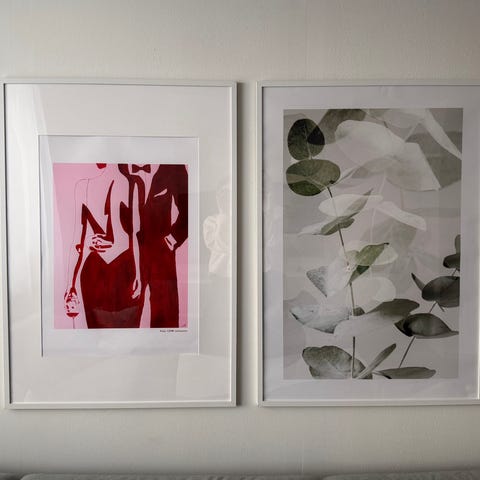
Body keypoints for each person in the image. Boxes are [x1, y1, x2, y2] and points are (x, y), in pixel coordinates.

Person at [64, 163, 142, 328]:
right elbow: (133, 235)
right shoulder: (131, 183)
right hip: (117, 270)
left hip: (101, 271)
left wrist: (70, 284)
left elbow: (77, 243)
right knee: (123, 335)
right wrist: (138, 275)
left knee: (102, 337)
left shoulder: (83, 187)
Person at [122, 163, 188, 328]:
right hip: (128, 252)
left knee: (166, 318)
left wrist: (172, 239)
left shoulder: (173, 168)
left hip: (162, 255)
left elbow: (190, 209)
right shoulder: (120, 167)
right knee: (125, 318)